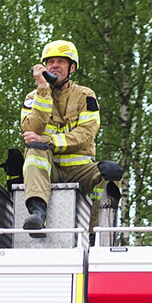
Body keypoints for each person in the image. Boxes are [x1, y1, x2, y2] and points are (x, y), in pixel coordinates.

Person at [19, 40, 102, 235]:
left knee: (111, 173)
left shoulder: (86, 95)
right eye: (50, 62)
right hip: (50, 169)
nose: (54, 66)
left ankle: (96, 233)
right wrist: (42, 90)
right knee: (34, 149)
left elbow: (86, 134)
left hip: (80, 170)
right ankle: (38, 214)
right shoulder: (33, 97)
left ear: (72, 67)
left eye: (60, 61)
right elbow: (31, 129)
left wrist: (49, 141)